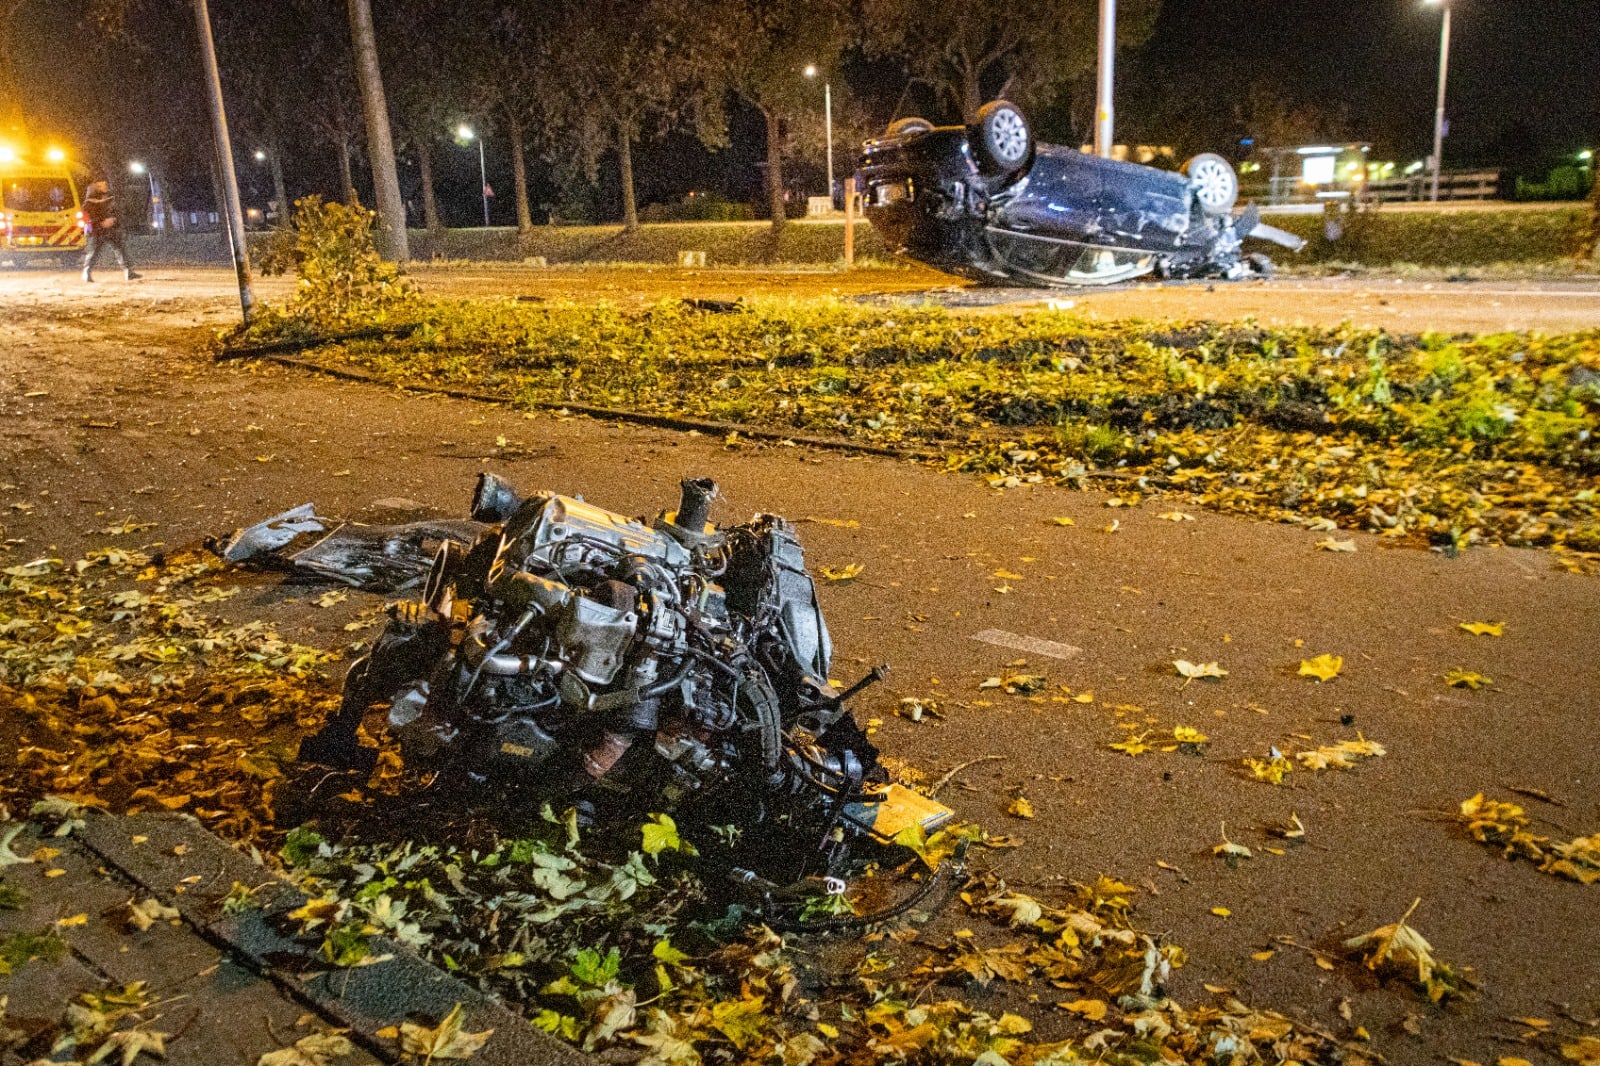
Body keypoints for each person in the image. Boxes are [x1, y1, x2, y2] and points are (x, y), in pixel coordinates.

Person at [80, 180, 139, 282]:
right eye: (103, 184)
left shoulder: (110, 198)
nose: (106, 185)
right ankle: (87, 273)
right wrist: (100, 222)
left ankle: (129, 272)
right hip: (97, 231)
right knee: (93, 252)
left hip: (111, 229)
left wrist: (114, 220)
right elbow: (88, 218)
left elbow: (117, 212)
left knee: (120, 249)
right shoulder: (89, 202)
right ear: (97, 186)